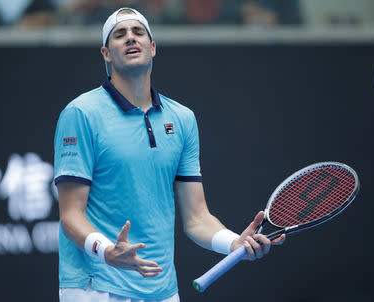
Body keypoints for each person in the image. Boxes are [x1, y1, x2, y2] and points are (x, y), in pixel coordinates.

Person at [54, 7, 285, 302]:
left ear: (152, 48)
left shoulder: (182, 119)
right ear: (106, 54)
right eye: (119, 34)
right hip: (95, 287)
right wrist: (106, 250)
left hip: (163, 290)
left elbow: (196, 216)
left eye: (138, 32)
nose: (130, 38)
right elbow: (71, 213)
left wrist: (234, 243)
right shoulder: (80, 114)